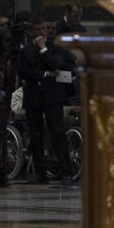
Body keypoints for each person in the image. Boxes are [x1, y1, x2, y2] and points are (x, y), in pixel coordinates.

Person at [16, 16, 73, 185]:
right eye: (38, 30)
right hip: (34, 95)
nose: (42, 32)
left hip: (53, 96)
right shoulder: (26, 50)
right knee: (36, 134)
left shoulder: (55, 47)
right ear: (32, 32)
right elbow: (25, 72)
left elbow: (56, 64)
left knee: (57, 132)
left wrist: (43, 49)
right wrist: (45, 74)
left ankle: (66, 171)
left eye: (44, 29)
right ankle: (40, 173)